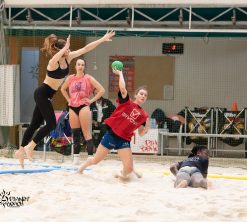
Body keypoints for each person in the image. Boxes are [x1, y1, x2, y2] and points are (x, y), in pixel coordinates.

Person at [15, 31, 115, 168]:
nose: (69, 51)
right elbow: (56, 58)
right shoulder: (52, 63)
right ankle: (30, 147)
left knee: (34, 124)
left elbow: (86, 49)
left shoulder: (68, 59)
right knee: (51, 124)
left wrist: (102, 39)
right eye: (67, 49)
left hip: (48, 95)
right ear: (61, 50)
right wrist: (63, 48)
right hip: (42, 93)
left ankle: (21, 151)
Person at [78, 66, 150, 180]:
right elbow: (122, 88)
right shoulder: (127, 102)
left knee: (129, 168)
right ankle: (81, 168)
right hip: (112, 135)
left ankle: (120, 175)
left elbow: (141, 133)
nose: (143, 96)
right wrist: (120, 73)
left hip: (124, 140)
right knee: (95, 160)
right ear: (136, 95)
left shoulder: (144, 115)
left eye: (145, 95)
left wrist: (147, 127)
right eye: (141, 93)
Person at [61, 58, 105, 164]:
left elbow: (102, 90)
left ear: (84, 67)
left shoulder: (88, 78)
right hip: (72, 107)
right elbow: (62, 89)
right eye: (79, 64)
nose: (80, 66)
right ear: (75, 66)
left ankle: (90, 158)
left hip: (84, 106)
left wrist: (91, 101)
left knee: (86, 133)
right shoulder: (70, 78)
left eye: (83, 65)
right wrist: (68, 100)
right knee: (75, 133)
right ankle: (76, 159)